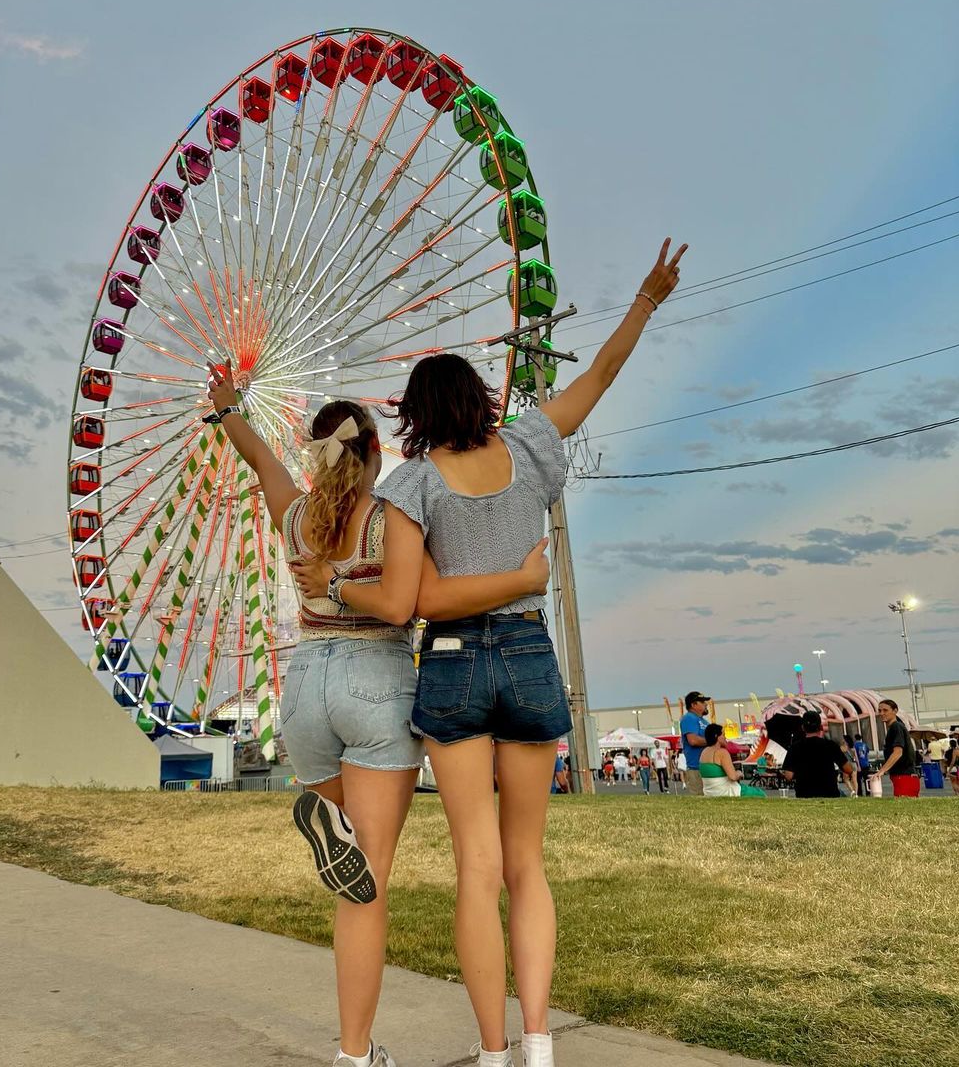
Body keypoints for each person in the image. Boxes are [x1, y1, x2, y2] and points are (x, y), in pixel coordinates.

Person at [310, 239, 686, 1066]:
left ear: (415, 416)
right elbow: (602, 375)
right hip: (527, 652)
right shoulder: (531, 444)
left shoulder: (411, 484)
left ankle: (491, 1051)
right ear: (480, 399)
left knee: (477, 870)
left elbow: (416, 602)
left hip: (451, 665)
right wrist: (647, 301)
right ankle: (539, 1042)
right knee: (527, 865)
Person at [207, 373, 548, 1067]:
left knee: (352, 877)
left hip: (305, 689)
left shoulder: (294, 515)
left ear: (315, 457)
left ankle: (356, 1051)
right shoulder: (391, 513)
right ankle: (354, 1053)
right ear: (371, 454)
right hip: (373, 681)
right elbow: (409, 601)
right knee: (369, 883)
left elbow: (258, 457)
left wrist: (226, 410)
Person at [781, 712, 852, 798]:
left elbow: (788, 776)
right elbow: (848, 769)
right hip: (829, 793)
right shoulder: (830, 745)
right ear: (820, 727)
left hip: (804, 794)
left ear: (803, 728)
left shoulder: (794, 747)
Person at [870, 699, 920, 798]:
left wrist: (881, 771)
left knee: (904, 804)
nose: (881, 713)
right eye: (880, 711)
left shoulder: (896, 727)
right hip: (903, 776)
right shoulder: (896, 727)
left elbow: (898, 752)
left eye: (885, 710)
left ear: (895, 711)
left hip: (904, 776)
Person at [698, 724, 766, 797]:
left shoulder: (704, 752)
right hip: (725, 791)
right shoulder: (722, 752)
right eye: (723, 735)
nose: (725, 737)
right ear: (716, 736)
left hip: (710, 792)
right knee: (760, 793)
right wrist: (739, 773)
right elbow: (733, 777)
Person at [679, 692, 711, 796]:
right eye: (702, 702)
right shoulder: (689, 718)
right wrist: (713, 741)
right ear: (693, 705)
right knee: (699, 799)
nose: (706, 704)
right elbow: (693, 740)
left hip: (707, 767)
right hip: (696, 769)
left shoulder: (704, 722)